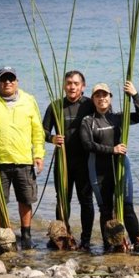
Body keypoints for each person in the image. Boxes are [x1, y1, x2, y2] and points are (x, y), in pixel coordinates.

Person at [0, 66, 45, 249]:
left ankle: (26, 235)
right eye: (4, 79)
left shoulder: (29, 100)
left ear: (17, 81)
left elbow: (38, 130)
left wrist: (38, 155)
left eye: (11, 79)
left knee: (26, 199)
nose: (7, 82)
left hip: (23, 160)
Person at [80, 81, 139, 252]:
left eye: (105, 95)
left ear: (110, 97)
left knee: (127, 207)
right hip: (98, 171)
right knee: (106, 210)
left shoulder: (119, 117)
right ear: (93, 99)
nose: (101, 98)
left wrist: (134, 94)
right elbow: (88, 145)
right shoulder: (88, 121)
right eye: (97, 95)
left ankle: (137, 243)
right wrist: (113, 150)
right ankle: (109, 245)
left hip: (121, 167)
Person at [43, 70, 95, 251]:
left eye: (76, 83)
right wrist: (52, 139)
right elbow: (43, 131)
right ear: (64, 86)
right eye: (69, 83)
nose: (72, 86)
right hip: (63, 162)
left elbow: (106, 119)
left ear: (83, 86)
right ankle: (63, 237)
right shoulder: (55, 106)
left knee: (86, 200)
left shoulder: (89, 105)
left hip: (85, 161)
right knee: (63, 200)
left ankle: (86, 240)